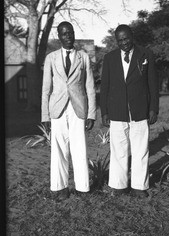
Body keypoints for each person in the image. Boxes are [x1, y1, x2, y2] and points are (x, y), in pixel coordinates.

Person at [100, 24, 159, 198]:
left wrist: (153, 108)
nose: (124, 43)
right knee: (119, 149)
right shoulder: (109, 58)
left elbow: (153, 84)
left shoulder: (146, 54)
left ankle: (139, 186)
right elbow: (104, 87)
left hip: (140, 109)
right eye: (120, 40)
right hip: (117, 110)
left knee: (140, 149)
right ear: (116, 41)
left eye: (126, 39)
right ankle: (119, 185)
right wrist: (104, 111)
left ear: (132, 36)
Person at [41, 21, 96, 200]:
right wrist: (45, 115)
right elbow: (46, 89)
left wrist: (91, 114)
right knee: (58, 150)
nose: (68, 36)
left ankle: (82, 188)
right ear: (59, 36)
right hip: (56, 109)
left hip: (78, 109)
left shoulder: (83, 57)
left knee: (80, 148)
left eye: (70, 32)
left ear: (74, 34)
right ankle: (60, 188)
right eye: (64, 33)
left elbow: (90, 87)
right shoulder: (51, 58)